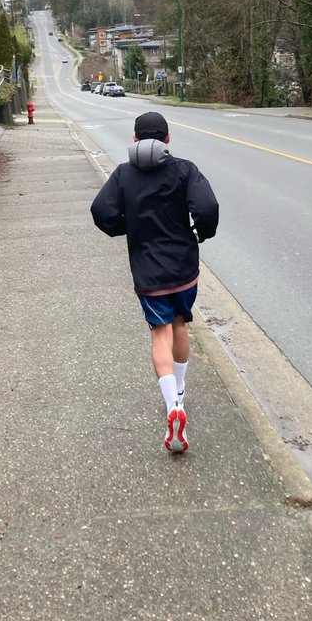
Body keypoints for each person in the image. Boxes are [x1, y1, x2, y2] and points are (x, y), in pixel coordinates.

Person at [90, 111, 219, 454]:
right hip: (184, 269)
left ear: (134, 139)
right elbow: (207, 207)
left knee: (159, 332)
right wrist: (201, 233)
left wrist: (124, 227)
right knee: (180, 325)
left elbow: (101, 211)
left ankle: (172, 405)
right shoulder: (184, 169)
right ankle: (180, 393)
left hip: (148, 272)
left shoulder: (123, 174)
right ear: (167, 139)